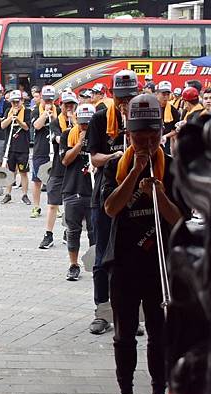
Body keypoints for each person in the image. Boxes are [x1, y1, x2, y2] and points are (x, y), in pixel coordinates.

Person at [101, 94, 188, 394]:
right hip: (124, 262)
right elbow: (111, 208)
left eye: (153, 139)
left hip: (161, 264)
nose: (147, 146)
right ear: (129, 137)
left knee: (159, 333)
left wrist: (160, 195)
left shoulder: (174, 168)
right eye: (139, 139)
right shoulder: (117, 167)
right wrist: (135, 174)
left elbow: (180, 220)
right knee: (124, 334)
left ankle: (157, 390)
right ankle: (126, 390)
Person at [86, 69, 139, 335]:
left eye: (130, 97)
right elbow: (94, 157)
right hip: (105, 193)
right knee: (102, 255)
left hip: (136, 196)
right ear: (112, 95)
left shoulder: (142, 116)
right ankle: (102, 312)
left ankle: (129, 313)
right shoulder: (98, 119)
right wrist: (115, 158)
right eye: (121, 98)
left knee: (132, 256)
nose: (125, 103)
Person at [59, 103, 96, 280]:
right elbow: (65, 161)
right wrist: (80, 144)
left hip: (93, 190)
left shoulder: (100, 136)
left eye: (88, 123)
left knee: (94, 230)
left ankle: (96, 262)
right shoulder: (68, 135)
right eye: (82, 123)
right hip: (73, 189)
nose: (85, 127)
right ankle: (73, 265)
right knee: (73, 230)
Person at [38, 91, 76, 248]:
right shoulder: (55, 122)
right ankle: (49, 234)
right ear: (60, 106)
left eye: (71, 105)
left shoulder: (80, 122)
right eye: (66, 105)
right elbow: (60, 139)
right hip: (58, 168)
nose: (69, 108)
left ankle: (69, 231)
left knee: (71, 202)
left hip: (74, 168)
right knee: (53, 203)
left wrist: (75, 123)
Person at [30, 84, 60, 219]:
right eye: (46, 99)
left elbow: (60, 127)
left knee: (55, 180)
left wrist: (53, 116)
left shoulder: (58, 110)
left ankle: (55, 207)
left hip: (55, 150)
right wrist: (44, 114)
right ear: (41, 98)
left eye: (50, 100)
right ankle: (36, 207)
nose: (48, 102)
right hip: (40, 149)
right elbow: (36, 126)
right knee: (37, 180)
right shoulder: (36, 110)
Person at [0, 89, 31, 205]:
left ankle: (24, 195)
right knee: (10, 172)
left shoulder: (27, 112)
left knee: (23, 172)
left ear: (21, 101)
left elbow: (27, 127)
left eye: (17, 102)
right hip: (10, 147)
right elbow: (3, 126)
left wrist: (18, 119)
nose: (15, 104)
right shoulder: (8, 110)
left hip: (22, 147)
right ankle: (8, 194)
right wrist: (10, 117)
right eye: (13, 102)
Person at [155, 81, 180, 155]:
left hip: (165, 141)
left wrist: (165, 136)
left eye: (168, 94)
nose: (166, 97)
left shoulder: (173, 110)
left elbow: (176, 130)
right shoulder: (151, 107)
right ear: (157, 93)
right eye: (163, 94)